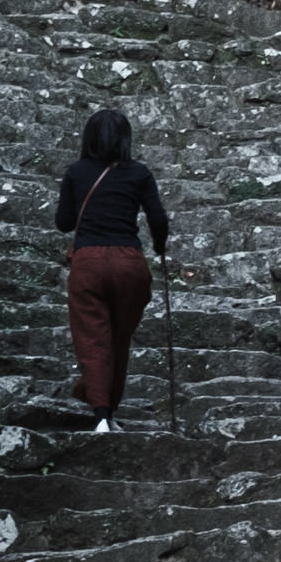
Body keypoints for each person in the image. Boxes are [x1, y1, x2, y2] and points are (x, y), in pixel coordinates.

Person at [57, 106, 170, 428]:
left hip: (89, 262)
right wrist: (160, 248)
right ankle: (108, 406)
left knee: (93, 338)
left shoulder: (76, 172)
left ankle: (101, 415)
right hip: (129, 264)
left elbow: (63, 223)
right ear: (125, 139)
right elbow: (158, 218)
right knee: (119, 338)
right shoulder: (139, 173)